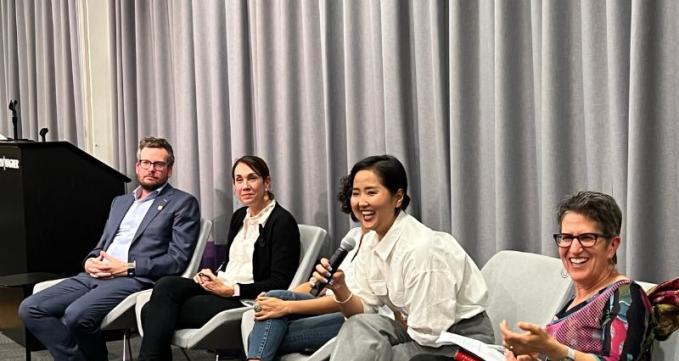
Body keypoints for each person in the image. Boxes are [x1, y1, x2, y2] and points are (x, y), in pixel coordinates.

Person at [19, 137, 201, 361]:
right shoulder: (121, 202)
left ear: (169, 170)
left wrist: (127, 268)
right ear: (137, 167)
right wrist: (89, 261)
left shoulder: (182, 203)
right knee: (30, 307)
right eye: (146, 163)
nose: (151, 169)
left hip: (134, 278)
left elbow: (177, 260)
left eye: (158, 164)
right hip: (95, 274)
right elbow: (102, 245)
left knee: (77, 316)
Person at [314, 155, 492, 361]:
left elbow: (430, 332)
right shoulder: (371, 241)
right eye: (356, 193)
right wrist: (340, 288)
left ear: (398, 197)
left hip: (457, 340)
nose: (361, 202)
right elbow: (363, 311)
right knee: (358, 326)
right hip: (418, 331)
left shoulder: (422, 250)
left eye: (371, 192)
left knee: (381, 355)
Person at [138, 155, 300, 361]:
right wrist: (212, 275)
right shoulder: (239, 216)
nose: (245, 186)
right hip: (222, 286)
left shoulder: (282, 221)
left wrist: (233, 290)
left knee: (151, 312)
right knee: (166, 285)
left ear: (266, 182)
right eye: (239, 180)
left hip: (245, 298)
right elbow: (232, 262)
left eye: (252, 178)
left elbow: (280, 282)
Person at [500, 191, 655, 361]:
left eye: (587, 238)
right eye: (566, 238)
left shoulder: (627, 295)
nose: (574, 249)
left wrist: (561, 352)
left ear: (612, 245)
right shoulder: (574, 300)